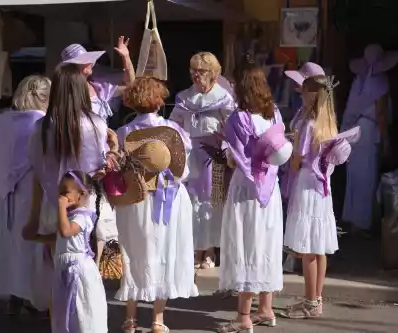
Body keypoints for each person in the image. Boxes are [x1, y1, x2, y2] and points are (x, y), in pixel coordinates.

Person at [23, 64, 112, 330]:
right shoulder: (95, 124)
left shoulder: (40, 128)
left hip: (53, 206)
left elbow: (37, 174)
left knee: (57, 277)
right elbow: (98, 169)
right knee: (87, 277)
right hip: (85, 206)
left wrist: (33, 215)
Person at [115, 77, 198, 333]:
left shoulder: (124, 132)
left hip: (135, 197)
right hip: (168, 195)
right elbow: (183, 171)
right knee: (164, 251)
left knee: (133, 250)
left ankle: (130, 318)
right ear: (159, 100)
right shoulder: (173, 131)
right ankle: (158, 320)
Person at [218, 64, 291, 333]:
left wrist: (224, 150)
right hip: (270, 188)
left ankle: (243, 317)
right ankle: (265, 309)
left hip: (246, 190)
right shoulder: (274, 114)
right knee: (266, 244)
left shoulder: (238, 118)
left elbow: (237, 160)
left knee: (246, 244)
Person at [282, 75, 360, 318]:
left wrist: (288, 157)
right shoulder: (330, 125)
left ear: (312, 95)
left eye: (304, 92)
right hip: (323, 188)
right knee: (319, 247)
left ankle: (309, 300)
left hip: (307, 184)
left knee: (307, 247)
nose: (301, 96)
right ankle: (317, 299)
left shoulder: (308, 125)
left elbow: (296, 161)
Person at [60, 38, 134, 261]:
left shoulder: (98, 88)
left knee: (102, 208)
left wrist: (126, 57)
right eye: (84, 62)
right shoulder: (65, 95)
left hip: (104, 155)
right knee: (84, 205)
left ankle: (98, 261)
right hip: (80, 156)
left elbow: (130, 83)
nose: (89, 64)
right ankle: (84, 258)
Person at [0, 75, 51, 315]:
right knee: (31, 248)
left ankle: (13, 298)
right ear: (45, 98)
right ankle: (33, 299)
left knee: (6, 247)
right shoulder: (43, 122)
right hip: (30, 194)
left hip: (0, 195)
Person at [169, 52, 236, 269]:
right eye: (193, 71)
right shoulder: (184, 98)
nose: (196, 76)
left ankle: (209, 250)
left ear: (214, 73)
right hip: (190, 155)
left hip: (213, 155)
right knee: (191, 203)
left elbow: (234, 128)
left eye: (201, 71)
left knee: (213, 203)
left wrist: (225, 145)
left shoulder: (223, 98)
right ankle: (194, 249)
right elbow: (174, 126)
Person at [341, 44, 398, 233]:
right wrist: (387, 141)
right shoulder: (380, 81)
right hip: (368, 131)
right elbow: (381, 115)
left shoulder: (359, 80)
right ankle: (362, 224)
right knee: (367, 178)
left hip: (354, 131)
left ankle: (353, 220)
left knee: (355, 178)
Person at [282, 62, 326, 273]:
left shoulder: (312, 120)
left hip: (305, 172)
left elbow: (302, 150)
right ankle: (292, 256)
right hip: (302, 170)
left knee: (305, 221)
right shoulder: (304, 111)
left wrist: (293, 162)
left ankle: (296, 257)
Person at [53, 170, 107, 333]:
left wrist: (61, 208)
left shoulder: (82, 217)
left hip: (79, 272)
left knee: (81, 308)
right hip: (64, 268)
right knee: (66, 311)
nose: (61, 196)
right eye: (59, 192)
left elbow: (66, 232)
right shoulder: (69, 216)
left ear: (81, 194)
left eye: (65, 192)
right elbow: (62, 239)